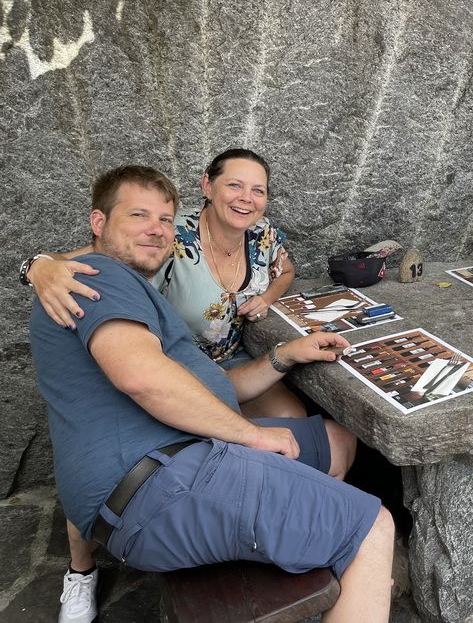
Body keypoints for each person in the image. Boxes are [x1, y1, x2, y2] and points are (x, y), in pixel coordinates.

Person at [31, 165, 394, 623]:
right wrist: (250, 434)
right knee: (372, 527)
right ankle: (328, 537)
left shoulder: (128, 280)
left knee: (337, 439)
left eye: (164, 219)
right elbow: (142, 378)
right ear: (99, 223)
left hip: (170, 459)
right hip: (163, 482)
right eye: (138, 215)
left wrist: (285, 355)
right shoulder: (98, 276)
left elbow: (213, 387)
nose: (156, 229)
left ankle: (298, 534)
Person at [25, 148, 301, 417]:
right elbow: (91, 254)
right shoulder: (168, 233)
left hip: (232, 360)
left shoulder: (260, 231)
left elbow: (286, 272)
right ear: (208, 185)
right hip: (175, 364)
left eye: (258, 190)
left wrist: (266, 298)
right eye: (234, 185)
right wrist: (38, 267)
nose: (246, 198)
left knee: (290, 416)